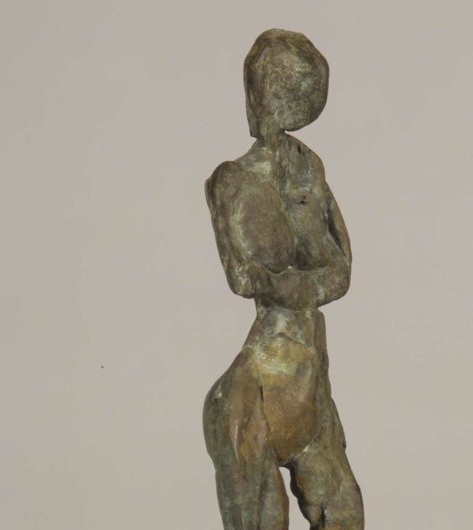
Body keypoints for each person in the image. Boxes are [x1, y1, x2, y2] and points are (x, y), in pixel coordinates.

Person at [203, 29, 364, 530]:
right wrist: (297, 283)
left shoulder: (307, 167)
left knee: (345, 514)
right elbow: (242, 277)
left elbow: (341, 271)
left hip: (309, 389)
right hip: (254, 396)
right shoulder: (231, 180)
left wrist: (292, 280)